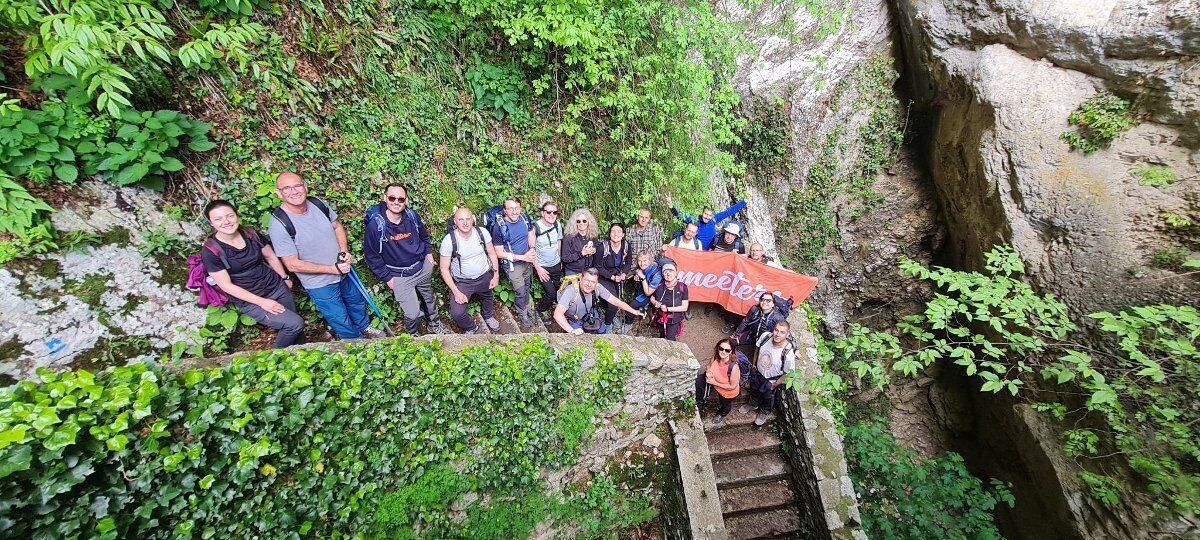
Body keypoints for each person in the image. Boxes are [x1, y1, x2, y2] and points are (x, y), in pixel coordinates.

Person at [269, 171, 381, 340]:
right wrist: (331, 269)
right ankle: (354, 342)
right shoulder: (280, 224)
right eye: (287, 188)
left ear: (305, 187)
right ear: (279, 193)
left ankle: (365, 328)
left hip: (343, 270)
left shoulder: (318, 204)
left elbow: (337, 227)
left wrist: (343, 251)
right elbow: (292, 264)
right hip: (319, 282)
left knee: (356, 302)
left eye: (298, 185)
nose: (294, 191)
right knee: (338, 315)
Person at [202, 200, 306, 348]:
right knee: (294, 324)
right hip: (251, 299)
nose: (226, 222)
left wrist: (284, 277)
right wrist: (262, 302)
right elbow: (226, 286)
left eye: (229, 216)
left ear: (236, 215)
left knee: (296, 327)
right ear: (211, 223)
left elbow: (270, 256)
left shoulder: (250, 234)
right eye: (218, 219)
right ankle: (276, 358)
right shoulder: (212, 251)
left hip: (276, 286)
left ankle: (305, 355)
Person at [362, 184, 449, 336]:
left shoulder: (411, 216)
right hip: (399, 276)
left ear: (406, 201)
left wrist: (428, 255)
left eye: (401, 199)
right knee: (413, 313)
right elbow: (372, 256)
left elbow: (424, 235)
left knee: (429, 299)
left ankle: (434, 325)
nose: (396, 202)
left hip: (421, 267)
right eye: (392, 198)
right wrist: (388, 278)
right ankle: (412, 334)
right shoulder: (376, 226)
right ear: (385, 198)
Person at [439, 207, 501, 334]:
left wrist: (496, 274)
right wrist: (456, 292)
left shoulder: (482, 232)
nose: (465, 223)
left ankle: (488, 316)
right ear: (455, 221)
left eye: (468, 219)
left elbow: (492, 254)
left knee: (487, 296)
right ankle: (471, 327)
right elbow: (444, 269)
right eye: (461, 219)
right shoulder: (449, 241)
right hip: (463, 282)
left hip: (484, 275)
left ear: (473, 219)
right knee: (457, 313)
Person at [491, 197, 539, 327]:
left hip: (527, 262)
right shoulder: (499, 227)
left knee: (528, 286)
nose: (514, 211)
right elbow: (499, 252)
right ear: (505, 210)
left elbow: (531, 235)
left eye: (516, 208)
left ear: (520, 208)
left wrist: (533, 249)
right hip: (513, 266)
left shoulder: (524, 219)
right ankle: (522, 313)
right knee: (520, 291)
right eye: (510, 208)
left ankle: (527, 307)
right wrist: (523, 257)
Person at [553, 268, 644, 334]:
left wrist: (635, 312)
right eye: (587, 280)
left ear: (596, 282)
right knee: (580, 337)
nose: (589, 284)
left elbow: (616, 301)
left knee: (602, 330)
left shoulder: (597, 287)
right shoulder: (571, 290)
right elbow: (557, 314)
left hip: (589, 313)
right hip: (574, 318)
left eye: (592, 282)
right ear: (580, 280)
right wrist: (572, 331)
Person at [744, 320, 797, 426]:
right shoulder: (765, 336)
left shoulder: (788, 353)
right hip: (758, 372)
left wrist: (775, 384)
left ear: (787, 334)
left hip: (771, 379)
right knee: (754, 389)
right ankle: (753, 404)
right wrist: (754, 364)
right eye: (776, 330)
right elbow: (757, 349)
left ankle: (764, 411)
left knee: (767, 396)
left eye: (782, 332)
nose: (777, 334)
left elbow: (788, 373)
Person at [696, 338, 741, 427]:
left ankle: (723, 413)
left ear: (731, 351)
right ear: (718, 348)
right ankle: (699, 400)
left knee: (725, 404)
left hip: (727, 391)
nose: (723, 352)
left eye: (727, 350)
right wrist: (708, 371)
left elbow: (732, 386)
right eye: (721, 348)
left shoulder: (734, 367)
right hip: (714, 381)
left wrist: (714, 382)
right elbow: (709, 366)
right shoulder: (716, 357)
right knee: (698, 381)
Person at [596, 223, 632, 334]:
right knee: (613, 304)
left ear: (623, 235)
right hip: (604, 277)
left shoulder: (626, 245)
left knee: (614, 302)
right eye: (613, 231)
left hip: (618, 276)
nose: (616, 234)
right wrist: (612, 277)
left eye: (619, 232)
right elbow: (598, 266)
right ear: (610, 233)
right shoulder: (603, 247)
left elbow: (628, 262)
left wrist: (624, 274)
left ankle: (610, 317)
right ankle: (607, 324)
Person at [533, 200, 565, 319]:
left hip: (556, 263)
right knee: (551, 294)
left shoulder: (557, 225)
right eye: (549, 212)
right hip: (542, 267)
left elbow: (559, 241)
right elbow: (531, 250)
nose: (552, 215)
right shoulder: (535, 228)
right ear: (542, 213)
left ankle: (555, 306)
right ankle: (540, 310)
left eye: (555, 212)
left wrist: (560, 259)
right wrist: (538, 268)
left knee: (557, 286)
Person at [671, 199, 746, 248]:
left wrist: (744, 201)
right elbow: (681, 216)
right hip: (695, 250)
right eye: (705, 214)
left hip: (708, 252)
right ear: (702, 213)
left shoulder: (714, 219)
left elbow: (729, 211)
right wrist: (671, 207)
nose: (707, 217)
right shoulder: (695, 220)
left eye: (710, 215)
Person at [649, 261, 688, 340]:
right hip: (660, 317)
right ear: (663, 275)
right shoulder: (660, 285)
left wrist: (668, 309)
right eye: (665, 272)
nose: (668, 274)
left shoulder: (682, 287)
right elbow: (652, 298)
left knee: (670, 338)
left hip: (674, 318)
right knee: (662, 335)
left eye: (670, 271)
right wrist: (655, 303)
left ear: (675, 273)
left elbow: (684, 307)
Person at [562, 208, 599, 275]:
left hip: (589, 271)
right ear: (574, 223)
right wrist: (582, 253)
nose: (581, 223)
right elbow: (565, 258)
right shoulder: (569, 237)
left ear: (589, 222)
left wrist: (594, 249)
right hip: (573, 271)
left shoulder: (592, 235)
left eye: (584, 221)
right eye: (578, 221)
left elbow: (596, 244)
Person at [629, 250, 662, 317]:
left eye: (644, 261)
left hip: (655, 294)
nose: (642, 264)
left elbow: (648, 293)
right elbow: (638, 270)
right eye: (639, 261)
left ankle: (629, 323)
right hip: (645, 290)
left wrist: (643, 277)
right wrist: (637, 276)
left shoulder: (656, 274)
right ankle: (644, 309)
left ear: (650, 261)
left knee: (632, 305)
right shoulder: (644, 268)